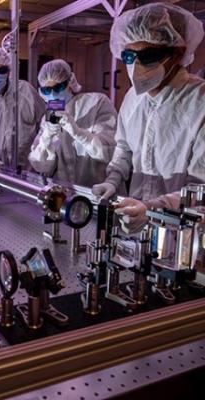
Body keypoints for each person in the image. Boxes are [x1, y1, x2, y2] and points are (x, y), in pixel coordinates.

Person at [92, 2, 205, 233]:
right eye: (129, 56)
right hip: (136, 229)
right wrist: (112, 180)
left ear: (178, 52)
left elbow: (202, 188)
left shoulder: (199, 102)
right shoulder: (133, 98)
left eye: (149, 56)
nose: (136, 67)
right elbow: (124, 148)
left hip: (185, 235)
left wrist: (154, 209)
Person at [28, 59, 117, 187]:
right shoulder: (49, 117)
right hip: (65, 193)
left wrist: (80, 134)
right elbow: (41, 166)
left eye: (58, 87)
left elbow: (111, 151)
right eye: (47, 90)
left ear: (70, 82)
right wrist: (46, 138)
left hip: (97, 190)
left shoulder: (97, 102)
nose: (53, 94)